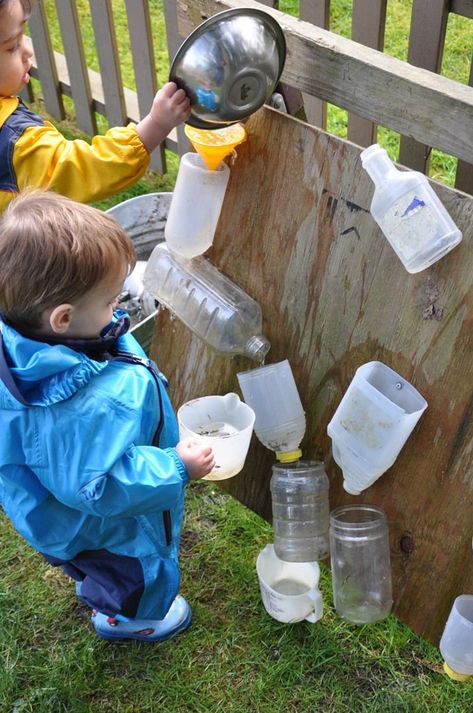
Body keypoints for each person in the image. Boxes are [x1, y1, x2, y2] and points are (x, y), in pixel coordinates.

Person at [0, 190, 215, 642]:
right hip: (93, 520)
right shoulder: (69, 410)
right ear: (62, 318)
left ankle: (99, 584)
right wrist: (177, 466)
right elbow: (102, 486)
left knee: (97, 564)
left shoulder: (42, 342)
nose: (117, 311)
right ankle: (134, 618)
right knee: (132, 570)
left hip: (54, 505)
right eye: (108, 303)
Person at [0, 0, 191, 213]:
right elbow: (88, 168)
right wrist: (157, 124)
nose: (28, 50)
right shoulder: (18, 146)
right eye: (12, 46)